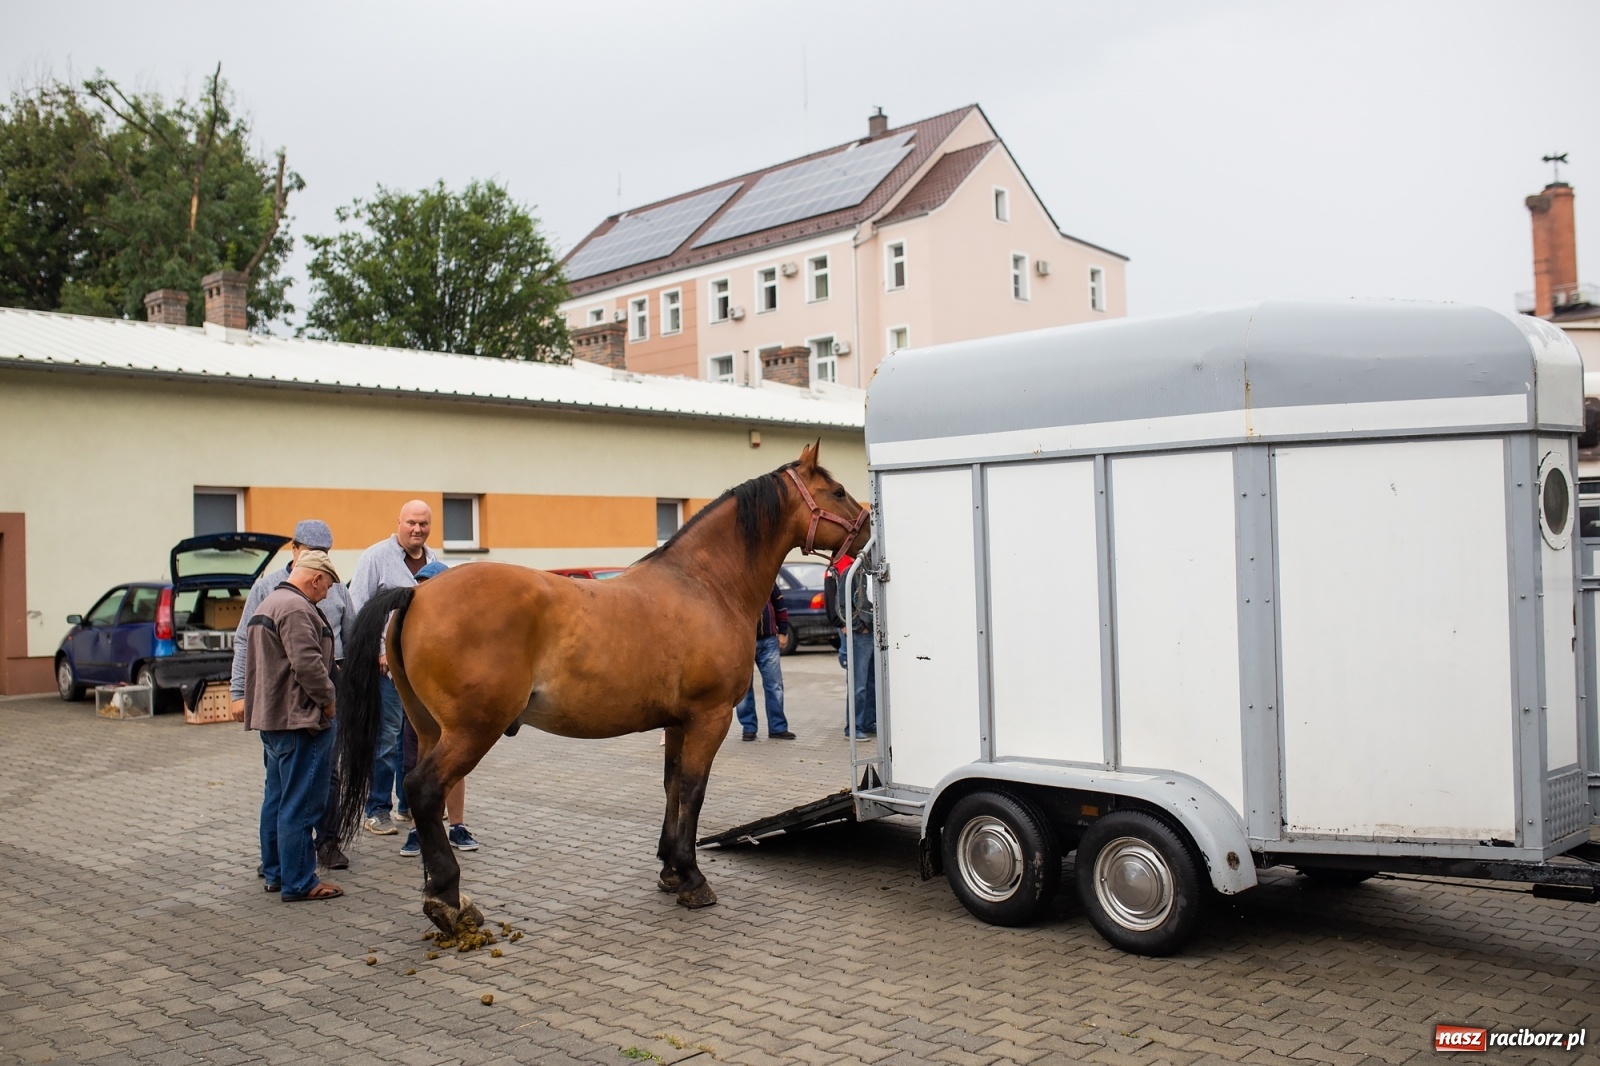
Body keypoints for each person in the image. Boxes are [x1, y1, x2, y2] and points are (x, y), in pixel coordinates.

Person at [230, 519, 354, 870]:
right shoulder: (271, 590)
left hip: (327, 683)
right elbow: (247, 641)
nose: (327, 591)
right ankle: (288, 867)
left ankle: (324, 844)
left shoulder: (334, 586)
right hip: (297, 698)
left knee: (325, 775)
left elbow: (353, 634)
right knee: (289, 789)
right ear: (294, 549)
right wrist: (238, 691)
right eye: (312, 551)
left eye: (324, 552)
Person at [244, 550, 343, 902]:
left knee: (276, 799)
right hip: (300, 720)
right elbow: (308, 665)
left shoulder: (269, 603)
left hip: (272, 719)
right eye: (327, 586)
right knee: (301, 804)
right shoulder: (297, 608)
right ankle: (300, 882)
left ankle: (275, 873)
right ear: (315, 578)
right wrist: (330, 702)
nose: (327, 594)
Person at [348, 500, 438, 835]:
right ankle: (377, 810)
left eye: (424, 524)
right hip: (387, 667)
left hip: (422, 669)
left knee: (415, 738)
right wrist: (375, 653)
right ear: (398, 522)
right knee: (386, 738)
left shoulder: (435, 561)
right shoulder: (375, 558)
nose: (417, 529)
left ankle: (407, 804)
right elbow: (357, 610)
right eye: (411, 523)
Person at [398, 560, 480, 857]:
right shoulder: (409, 618)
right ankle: (417, 828)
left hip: (451, 700)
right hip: (419, 699)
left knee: (455, 760)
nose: (423, 591)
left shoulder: (456, 622)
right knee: (417, 759)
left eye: (429, 584)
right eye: (420, 584)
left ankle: (456, 825)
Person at [734, 583, 795, 741]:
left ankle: (778, 728)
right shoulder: (735, 581)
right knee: (744, 688)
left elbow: (780, 604)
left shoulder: (768, 580)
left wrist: (783, 631)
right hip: (742, 642)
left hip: (768, 641)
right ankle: (748, 728)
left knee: (775, 686)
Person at [826, 553, 877, 738]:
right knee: (859, 684)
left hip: (877, 634)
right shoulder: (851, 573)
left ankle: (869, 721)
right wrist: (857, 626)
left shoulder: (876, 572)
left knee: (873, 683)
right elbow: (841, 604)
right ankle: (854, 728)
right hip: (861, 635)